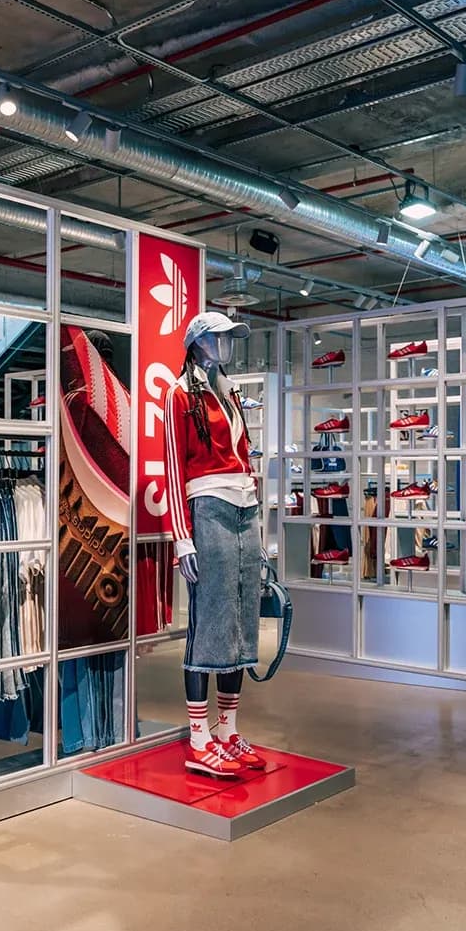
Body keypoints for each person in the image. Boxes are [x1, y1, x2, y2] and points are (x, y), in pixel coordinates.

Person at [162, 312, 265, 778]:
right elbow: (172, 467)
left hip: (244, 508)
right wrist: (182, 538)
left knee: (242, 622)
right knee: (210, 623)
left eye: (229, 337)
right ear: (199, 341)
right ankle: (199, 736)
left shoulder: (230, 393)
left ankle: (227, 729)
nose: (226, 344)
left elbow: (244, 455)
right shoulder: (179, 395)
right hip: (208, 510)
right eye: (219, 336)